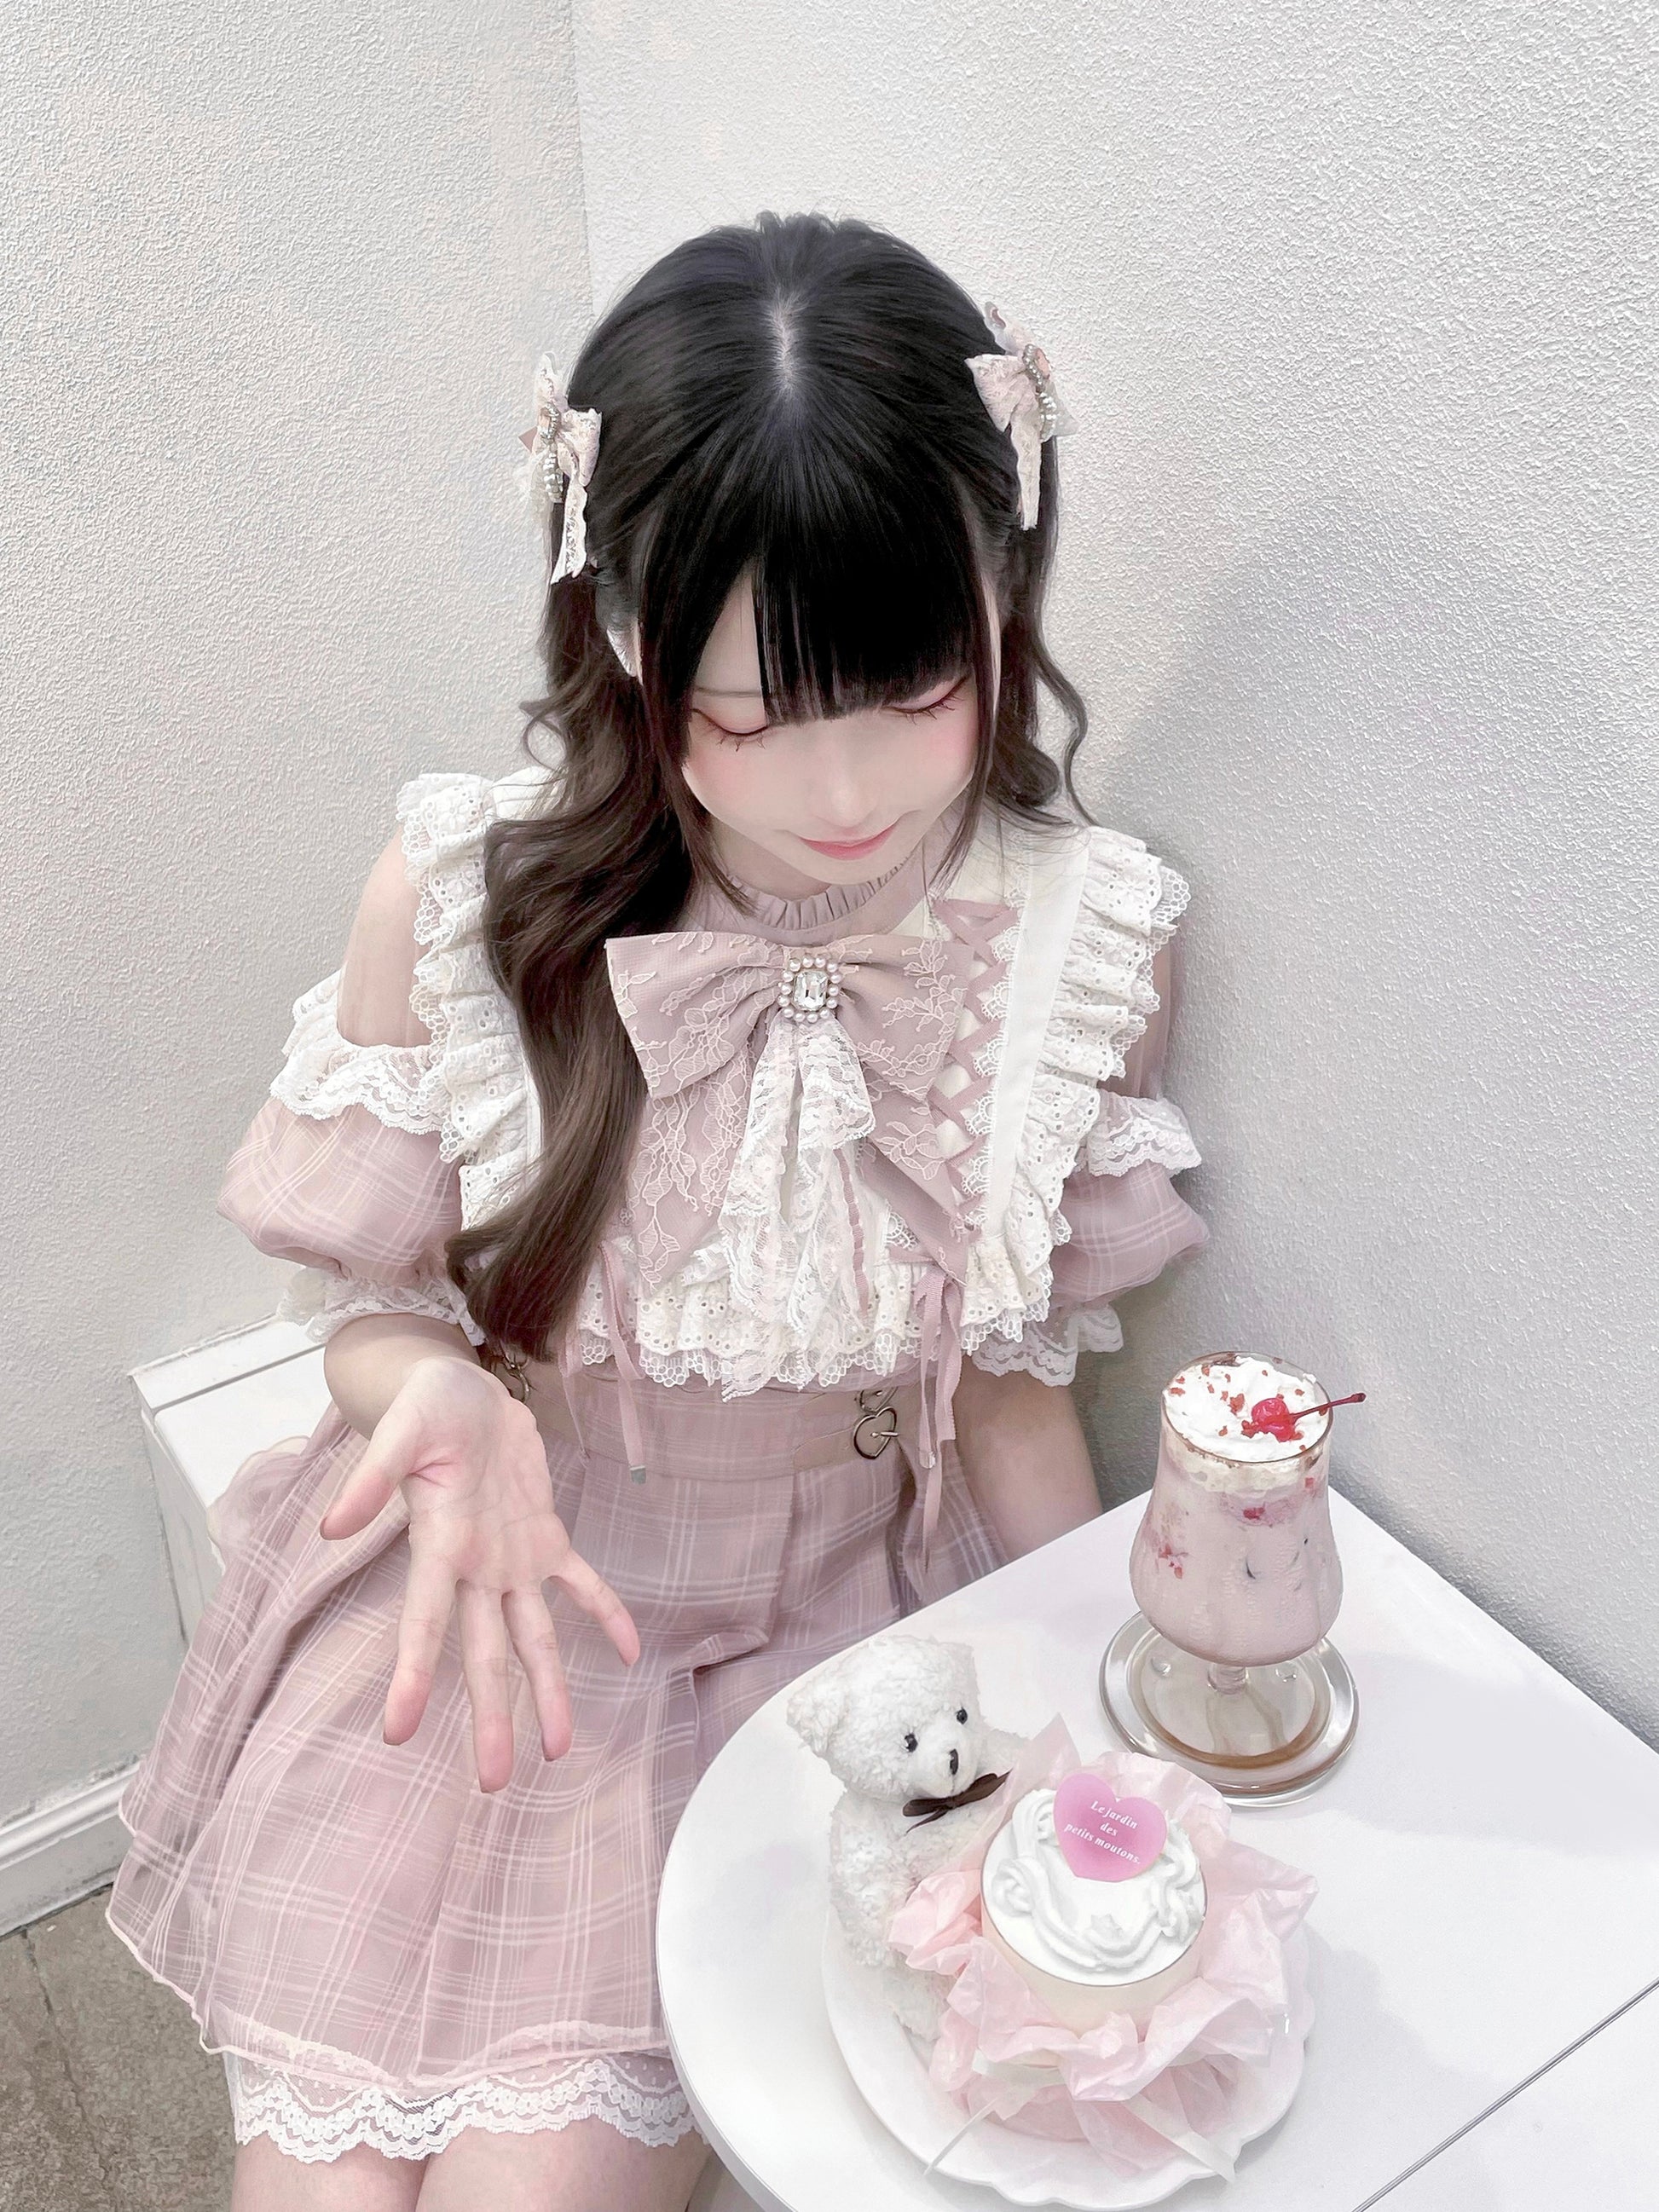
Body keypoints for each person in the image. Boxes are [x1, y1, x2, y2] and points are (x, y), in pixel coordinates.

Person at [105, 211, 1208, 2210]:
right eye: (755, 712)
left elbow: (1012, 1389)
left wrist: (1102, 1730)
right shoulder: (465, 901)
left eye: (913, 685)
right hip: (511, 1581)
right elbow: (371, 1310)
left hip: (828, 1632)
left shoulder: (1076, 944)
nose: (844, 785)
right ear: (620, 633)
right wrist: (430, 1394)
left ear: (1002, 589)